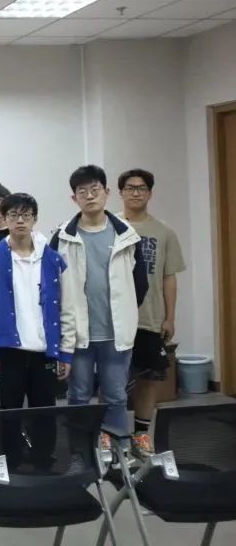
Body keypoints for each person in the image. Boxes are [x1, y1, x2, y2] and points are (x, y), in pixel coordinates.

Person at [50, 165, 147, 450]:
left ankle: (120, 452)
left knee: (116, 396)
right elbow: (51, 287)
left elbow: (140, 284)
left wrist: (124, 312)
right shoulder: (62, 237)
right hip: (78, 333)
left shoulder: (126, 235)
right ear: (74, 198)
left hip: (116, 333)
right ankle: (80, 452)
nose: (90, 196)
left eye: (95, 190)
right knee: (79, 396)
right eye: (83, 192)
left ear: (106, 193)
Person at [0, 193, 74, 410]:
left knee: (44, 413)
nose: (20, 221)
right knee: (9, 413)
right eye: (13, 215)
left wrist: (66, 351)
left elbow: (67, 308)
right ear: (4, 219)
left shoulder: (53, 260)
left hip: (45, 351)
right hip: (9, 352)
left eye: (26, 215)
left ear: (35, 219)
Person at [117, 168, 185, 458]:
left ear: (150, 193)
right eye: (130, 188)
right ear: (120, 193)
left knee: (149, 379)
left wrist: (170, 317)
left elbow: (169, 277)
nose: (135, 192)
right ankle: (112, 436)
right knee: (112, 380)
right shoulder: (110, 227)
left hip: (149, 318)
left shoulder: (164, 232)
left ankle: (142, 435)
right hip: (115, 320)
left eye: (141, 188)